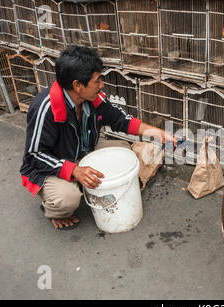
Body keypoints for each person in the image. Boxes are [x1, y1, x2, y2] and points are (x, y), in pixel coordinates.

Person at [20, 45, 177, 230]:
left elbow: (120, 120)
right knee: (67, 199)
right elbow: (34, 156)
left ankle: (83, 183)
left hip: (82, 150)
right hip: (52, 165)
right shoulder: (45, 108)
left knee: (124, 151)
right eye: (97, 81)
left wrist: (159, 133)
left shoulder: (93, 98)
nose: (101, 85)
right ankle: (54, 208)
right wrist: (74, 170)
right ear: (78, 85)